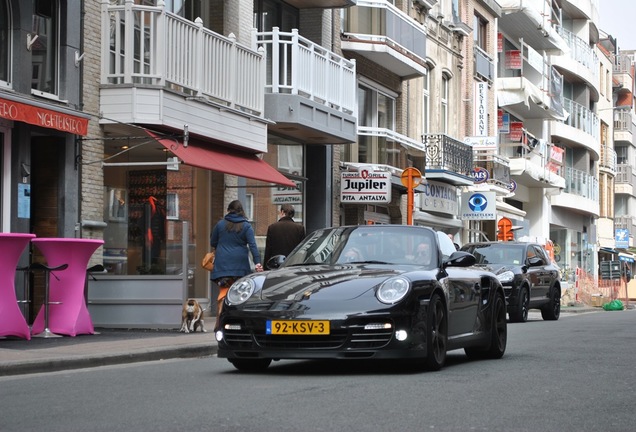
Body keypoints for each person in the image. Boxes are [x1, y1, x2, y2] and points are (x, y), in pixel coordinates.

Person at [210, 200, 263, 326]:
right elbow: (253, 246)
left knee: (223, 293)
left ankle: (219, 323)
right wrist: (258, 263)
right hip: (240, 268)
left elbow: (213, 242)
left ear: (228, 210)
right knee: (240, 296)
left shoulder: (220, 224)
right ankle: (238, 323)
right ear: (241, 210)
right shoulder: (246, 226)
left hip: (222, 267)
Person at [263, 204, 306, 268]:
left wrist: (265, 266)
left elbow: (268, 250)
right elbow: (302, 250)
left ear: (282, 212)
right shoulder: (299, 228)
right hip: (293, 265)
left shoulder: (272, 228)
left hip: (277, 265)